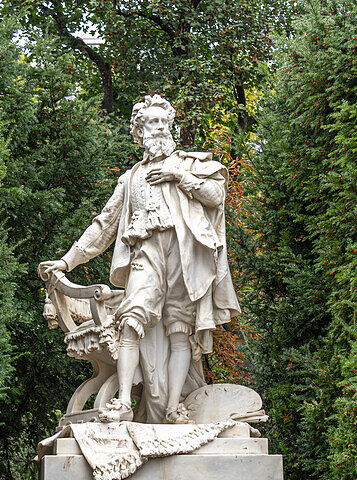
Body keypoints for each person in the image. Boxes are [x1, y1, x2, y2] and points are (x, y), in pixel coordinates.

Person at [39, 94, 240, 423]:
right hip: (145, 253)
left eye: (164, 121)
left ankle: (175, 407)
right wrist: (66, 262)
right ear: (139, 131)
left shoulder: (189, 164)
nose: (160, 127)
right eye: (153, 122)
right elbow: (103, 227)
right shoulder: (130, 178)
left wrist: (181, 179)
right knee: (130, 322)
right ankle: (124, 404)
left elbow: (217, 196)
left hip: (183, 257)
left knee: (180, 332)